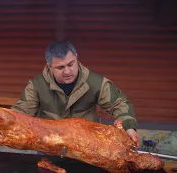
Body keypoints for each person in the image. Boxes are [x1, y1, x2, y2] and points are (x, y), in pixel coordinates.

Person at [11, 40, 140, 148]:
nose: (67, 71)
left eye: (71, 64)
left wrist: (128, 127)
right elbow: (20, 114)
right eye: (60, 67)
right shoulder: (36, 86)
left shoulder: (95, 82)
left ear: (76, 57)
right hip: (50, 147)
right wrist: (5, 127)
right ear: (49, 66)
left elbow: (119, 103)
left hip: (87, 147)